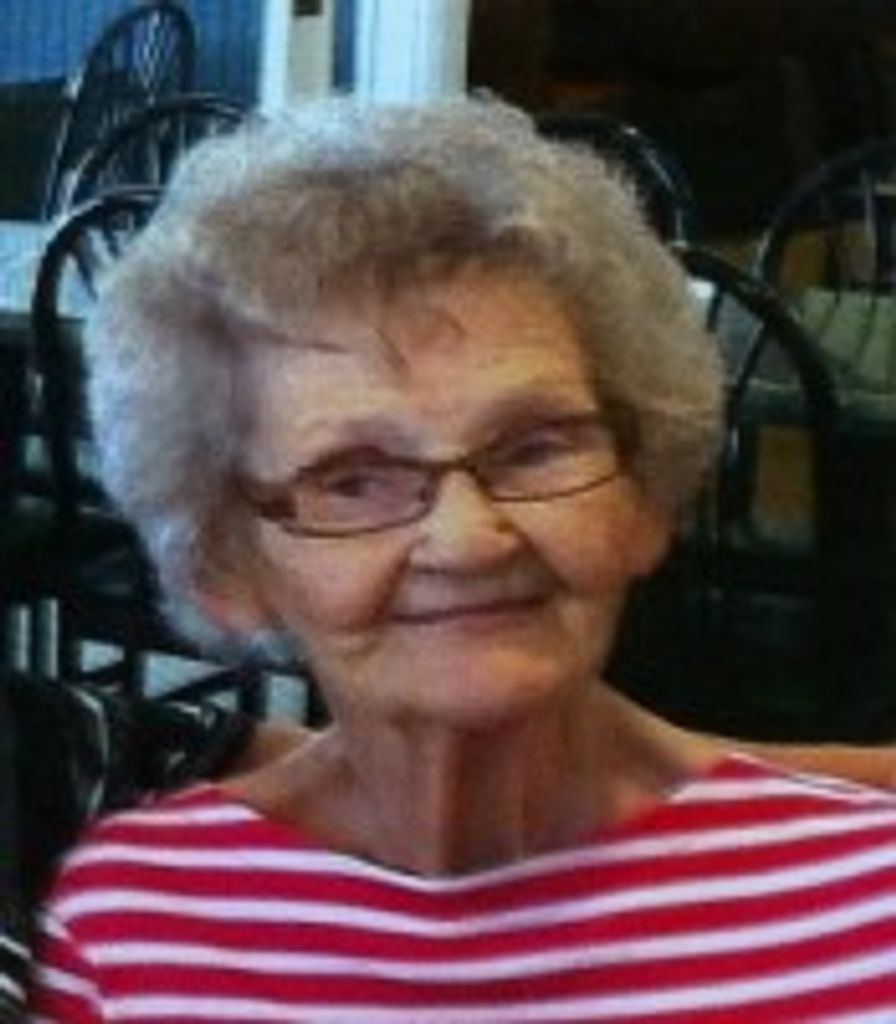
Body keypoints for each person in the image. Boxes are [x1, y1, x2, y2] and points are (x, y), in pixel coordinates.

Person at [28, 96, 896, 1021]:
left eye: (536, 447)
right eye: (353, 480)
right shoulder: (130, 929)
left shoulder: (869, 898)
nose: (470, 539)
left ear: (644, 499)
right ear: (226, 565)